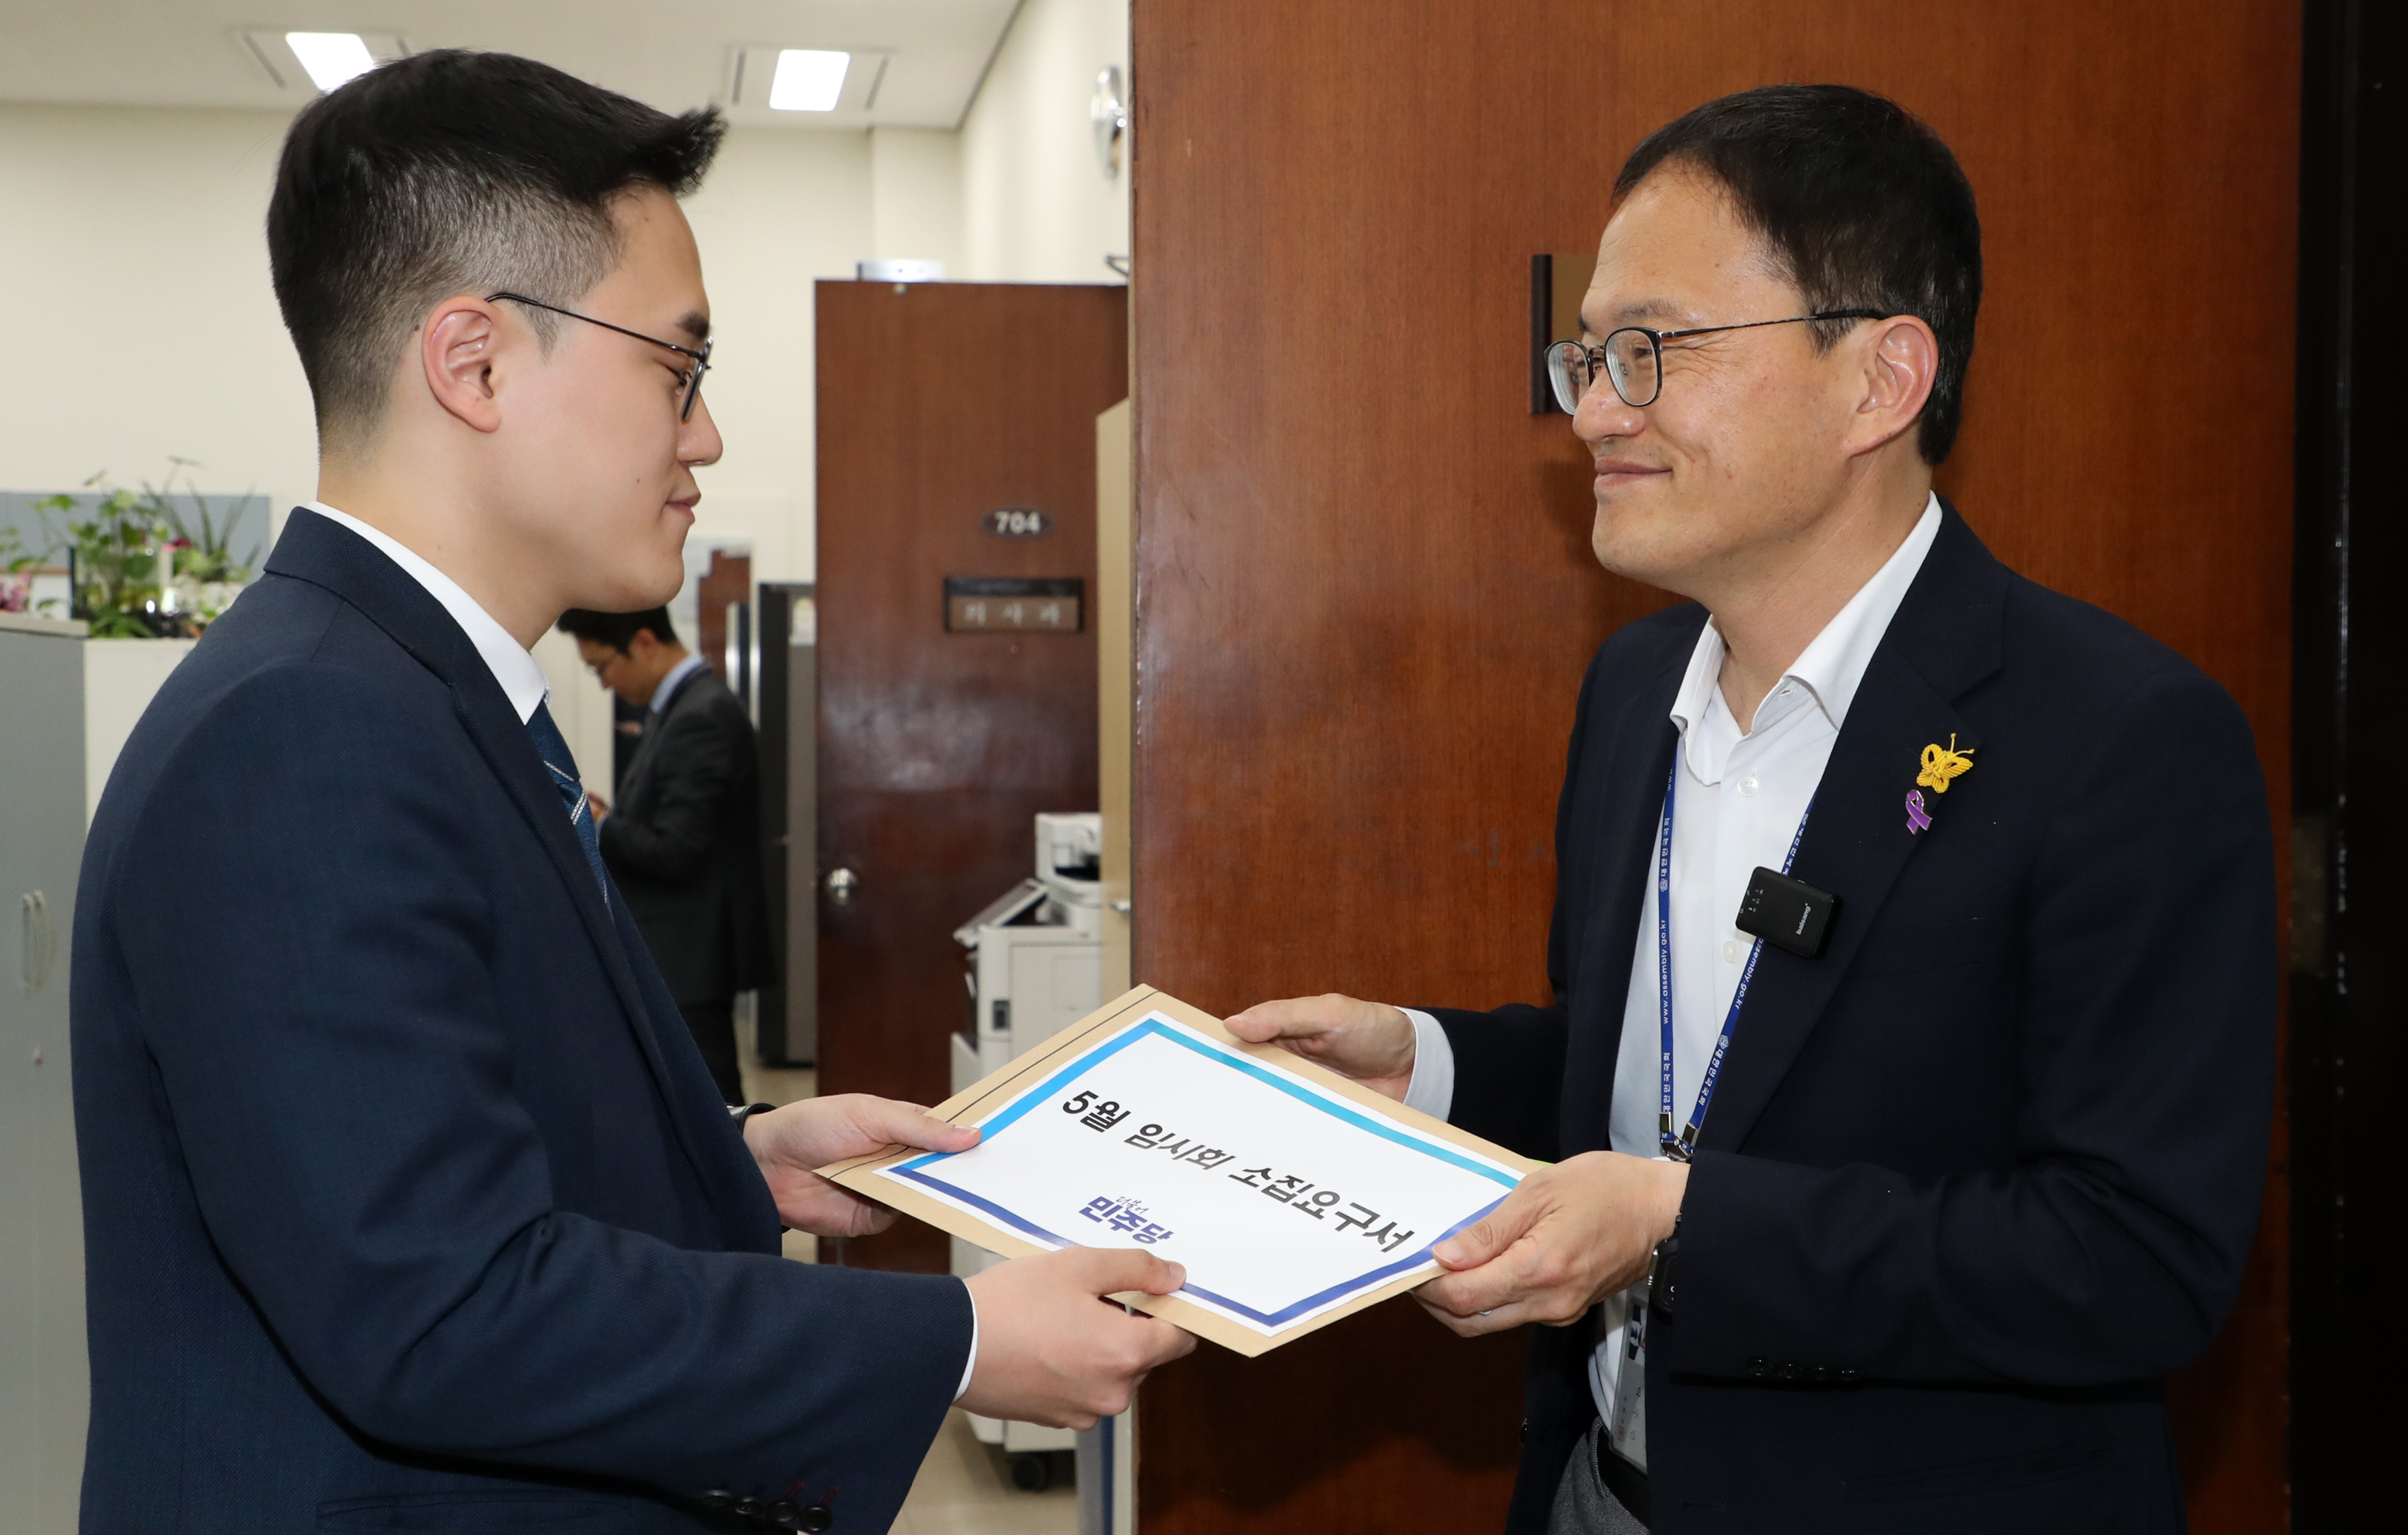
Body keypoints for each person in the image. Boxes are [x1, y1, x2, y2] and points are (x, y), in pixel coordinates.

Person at [70, 51, 1191, 1535]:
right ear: (472, 365)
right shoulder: (304, 732)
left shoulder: (413, 698)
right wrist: (967, 1338)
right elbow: (442, 1307)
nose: (705, 436)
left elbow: (427, 1127)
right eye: (677, 367)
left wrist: (729, 1152)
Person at [1230, 85, 2273, 1535]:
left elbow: (2133, 1255)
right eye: (1590, 353)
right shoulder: (1630, 689)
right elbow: (1679, 1081)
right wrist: (1426, 1067)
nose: (1594, 406)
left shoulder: (2120, 737)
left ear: (1879, 377)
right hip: (1599, 1488)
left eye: (1652, 348)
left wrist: (1678, 1225)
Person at [558, 605, 766, 1103]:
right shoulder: (681, 706)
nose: (605, 684)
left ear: (645, 642)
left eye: (602, 666)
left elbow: (678, 850)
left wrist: (601, 825)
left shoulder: (702, 714)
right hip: (680, 947)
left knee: (713, 1105)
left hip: (689, 951)